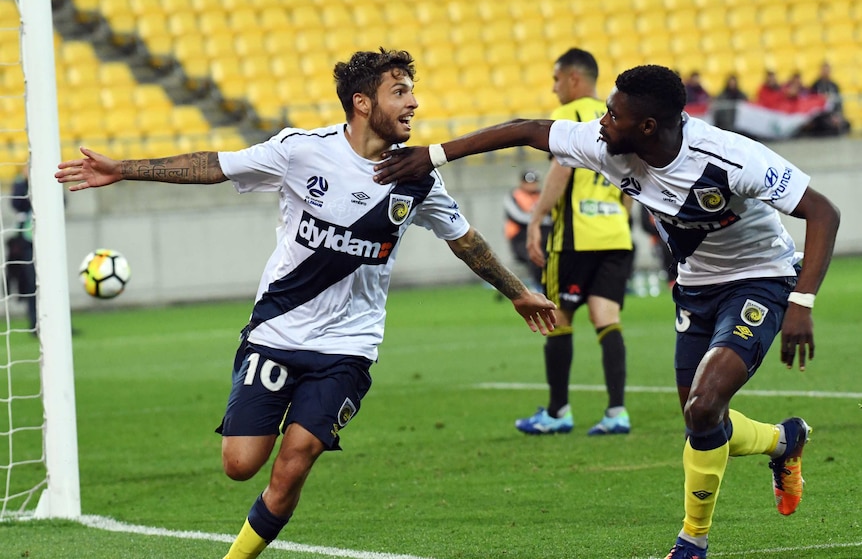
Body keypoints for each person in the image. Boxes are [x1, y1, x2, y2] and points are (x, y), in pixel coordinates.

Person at [55, 48, 557, 559]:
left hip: (348, 345)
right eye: (400, 92)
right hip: (277, 331)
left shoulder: (418, 176)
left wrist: (517, 292)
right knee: (239, 463)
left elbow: (464, 238)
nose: (414, 103)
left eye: (411, 91)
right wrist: (125, 169)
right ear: (362, 103)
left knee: (295, 459)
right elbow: (215, 166)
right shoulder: (301, 150)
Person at [373, 64, 840, 559]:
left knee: (703, 405)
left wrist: (801, 302)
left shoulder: (728, 157)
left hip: (759, 280)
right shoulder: (604, 143)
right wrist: (434, 155)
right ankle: (782, 441)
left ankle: (692, 542)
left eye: (613, 115)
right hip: (696, 286)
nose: (601, 122)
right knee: (701, 420)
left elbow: (823, 211)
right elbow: (529, 130)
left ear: (647, 127)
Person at [514, 47, 634, 437]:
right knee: (607, 318)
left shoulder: (570, 115)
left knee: (558, 319)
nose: (553, 89)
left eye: (555, 79)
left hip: (575, 239)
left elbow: (562, 168)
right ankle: (617, 412)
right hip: (616, 235)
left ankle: (558, 411)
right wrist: (621, 217)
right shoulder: (616, 115)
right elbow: (632, 180)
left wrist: (535, 220)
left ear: (573, 79)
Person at [503, 169, 547, 291]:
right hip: (520, 238)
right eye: (528, 182)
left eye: (534, 182)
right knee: (534, 255)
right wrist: (540, 220)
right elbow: (518, 217)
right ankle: (538, 286)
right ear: (521, 182)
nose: (531, 185)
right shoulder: (513, 196)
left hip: (544, 235)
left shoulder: (544, 195)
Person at [6, 164, 37, 331]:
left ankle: (63, 323)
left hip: (44, 241)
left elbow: (62, 200)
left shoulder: (48, 180)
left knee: (55, 282)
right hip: (26, 242)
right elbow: (17, 203)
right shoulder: (20, 184)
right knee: (32, 283)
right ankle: (34, 322)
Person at [807, 62, 851, 136]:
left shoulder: (834, 86)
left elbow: (838, 102)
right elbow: (811, 102)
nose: (826, 73)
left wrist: (837, 116)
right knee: (820, 123)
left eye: (827, 71)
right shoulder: (815, 85)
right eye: (824, 70)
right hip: (820, 115)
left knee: (847, 124)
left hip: (832, 114)